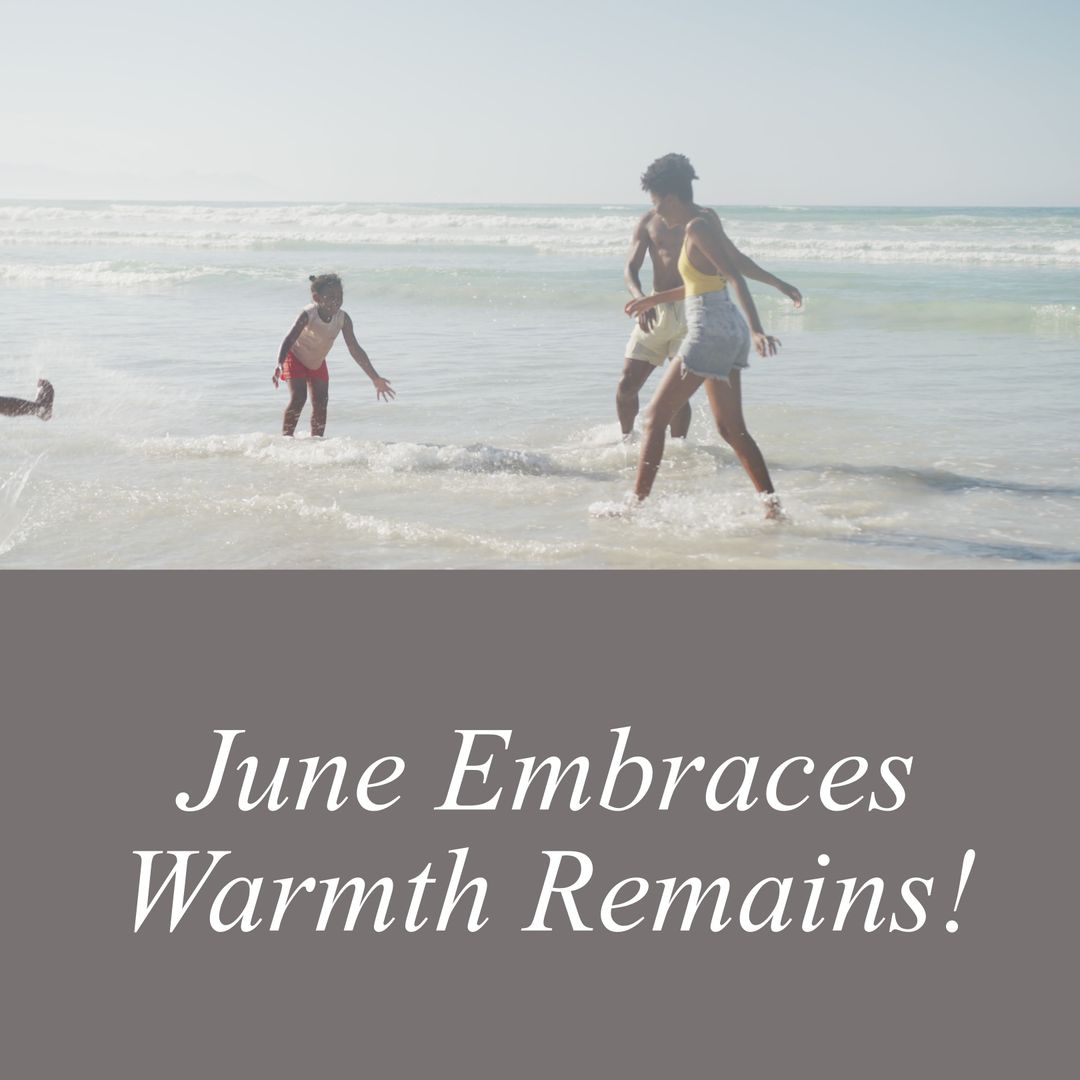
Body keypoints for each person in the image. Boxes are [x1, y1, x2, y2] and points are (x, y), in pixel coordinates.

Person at [623, 155, 790, 519]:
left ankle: (634, 507)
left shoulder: (696, 227)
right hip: (728, 328)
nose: (657, 216)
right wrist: (652, 299)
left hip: (709, 331)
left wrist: (760, 328)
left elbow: (734, 276)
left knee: (654, 418)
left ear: (670, 198)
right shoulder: (705, 221)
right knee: (731, 428)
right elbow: (711, 280)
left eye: (657, 205)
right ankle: (772, 507)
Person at [274, 274, 395, 437]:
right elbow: (289, 338)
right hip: (295, 357)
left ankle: (317, 440)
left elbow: (355, 349)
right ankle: (286, 438)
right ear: (316, 297)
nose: (336, 301)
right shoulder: (309, 314)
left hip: (317, 362)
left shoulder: (343, 319)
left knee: (321, 402)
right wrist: (280, 363)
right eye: (331, 297)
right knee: (299, 398)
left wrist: (375, 378)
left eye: (340, 297)